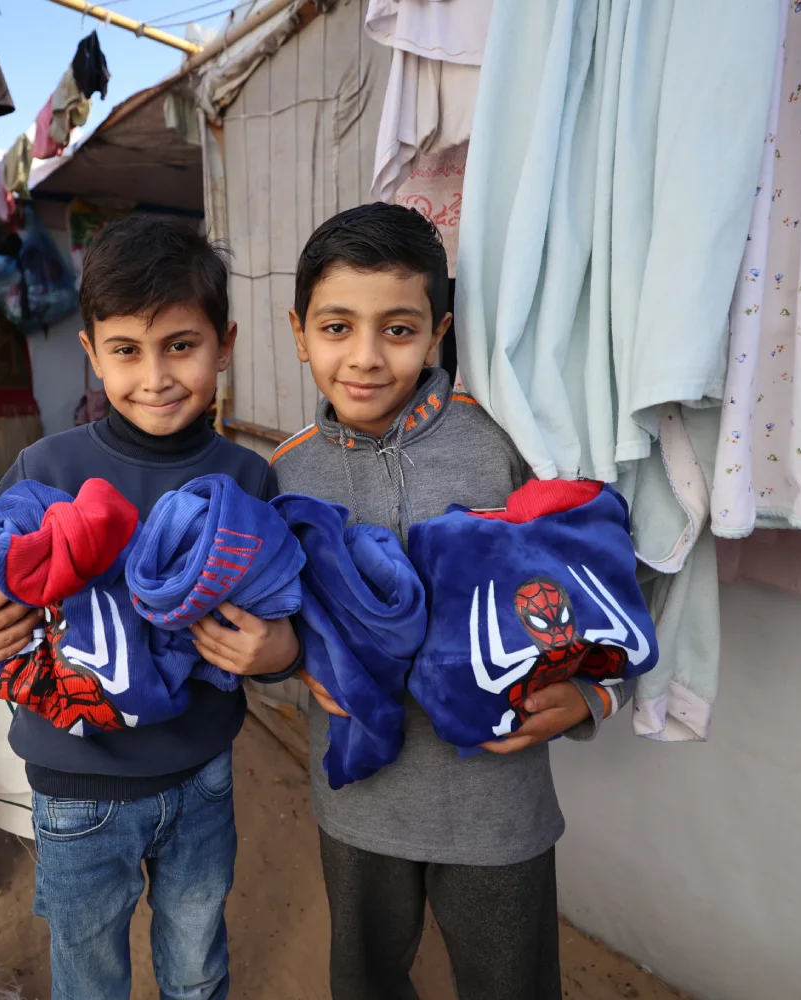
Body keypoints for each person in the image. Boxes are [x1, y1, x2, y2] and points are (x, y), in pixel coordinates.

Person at [0, 215, 302, 1000]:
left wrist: (282, 653)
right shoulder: (46, 467)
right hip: (75, 788)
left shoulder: (248, 481)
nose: (156, 376)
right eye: (127, 351)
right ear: (92, 353)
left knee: (196, 959)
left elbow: (280, 617)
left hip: (202, 776)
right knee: (88, 967)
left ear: (223, 344)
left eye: (181, 346)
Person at [271, 203, 635, 1000]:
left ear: (438, 333)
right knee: (364, 980)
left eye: (397, 330)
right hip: (357, 802)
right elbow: (273, 628)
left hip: (497, 803)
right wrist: (292, 664)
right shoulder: (284, 474)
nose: (365, 358)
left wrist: (596, 691)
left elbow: (611, 581)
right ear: (299, 333)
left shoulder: (510, 446)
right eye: (337, 328)